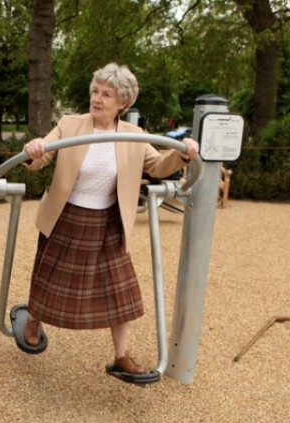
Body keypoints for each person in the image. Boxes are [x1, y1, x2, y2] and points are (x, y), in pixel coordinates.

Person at [21, 63, 198, 378]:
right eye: (95, 91)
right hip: (66, 216)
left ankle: (122, 356)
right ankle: (34, 319)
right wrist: (34, 150)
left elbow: (157, 166)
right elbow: (41, 158)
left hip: (108, 222)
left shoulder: (133, 135)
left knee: (120, 290)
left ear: (123, 104)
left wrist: (182, 156)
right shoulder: (70, 124)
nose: (97, 99)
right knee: (49, 280)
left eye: (107, 94)